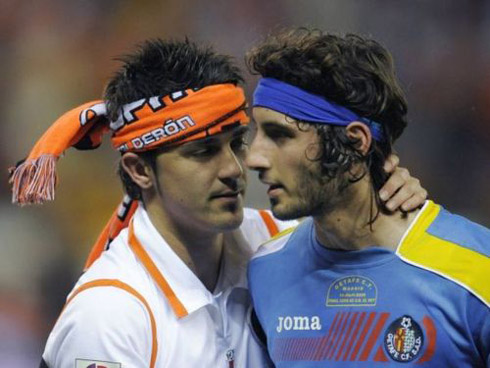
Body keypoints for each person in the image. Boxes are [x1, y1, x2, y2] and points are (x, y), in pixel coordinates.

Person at [10, 39, 426, 368]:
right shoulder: (109, 315)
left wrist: (387, 195)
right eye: (203, 152)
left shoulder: (278, 240)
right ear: (139, 170)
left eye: (235, 144)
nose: (234, 168)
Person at [246, 29, 490, 368]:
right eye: (256, 133)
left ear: (356, 141)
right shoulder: (263, 271)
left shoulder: (478, 272)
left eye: (279, 135)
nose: (253, 157)